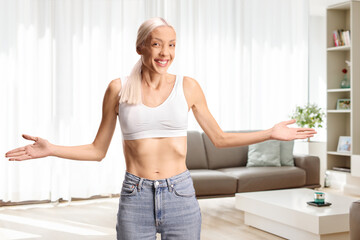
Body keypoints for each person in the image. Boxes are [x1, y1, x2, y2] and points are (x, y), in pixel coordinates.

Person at [5, 17, 316, 240]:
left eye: (172, 45)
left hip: (179, 193)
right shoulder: (119, 89)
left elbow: (220, 139)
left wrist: (270, 132)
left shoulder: (188, 87)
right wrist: (51, 149)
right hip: (135, 195)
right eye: (157, 44)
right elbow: (98, 150)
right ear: (142, 47)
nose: (165, 52)